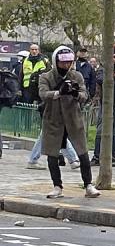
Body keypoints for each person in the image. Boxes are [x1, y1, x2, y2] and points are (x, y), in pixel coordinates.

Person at [37, 46, 98, 199]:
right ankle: (57, 186)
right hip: (53, 119)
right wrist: (58, 93)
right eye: (63, 63)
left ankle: (88, 185)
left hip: (73, 118)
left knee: (82, 153)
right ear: (55, 61)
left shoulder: (77, 75)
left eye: (69, 62)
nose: (66, 66)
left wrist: (76, 93)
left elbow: (85, 94)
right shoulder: (46, 77)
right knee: (52, 154)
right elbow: (43, 94)